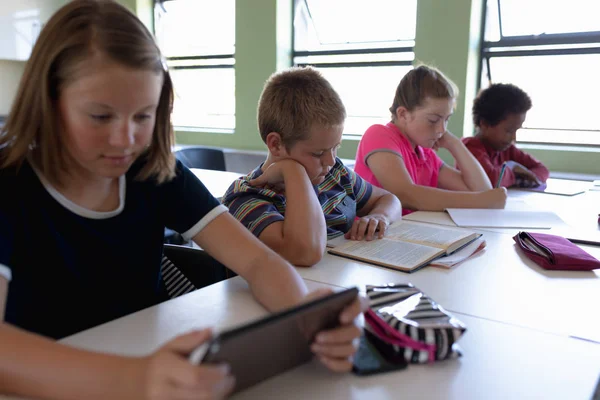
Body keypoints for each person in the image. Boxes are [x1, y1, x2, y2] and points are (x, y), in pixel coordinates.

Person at [0, 1, 363, 399]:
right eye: (101, 117)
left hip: (148, 361)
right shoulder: (10, 184)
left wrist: (306, 319)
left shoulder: (155, 170)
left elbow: (258, 262)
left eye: (143, 116)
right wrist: (133, 379)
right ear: (48, 103)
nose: (126, 140)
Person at [221, 66, 402, 266]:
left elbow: (389, 199)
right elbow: (305, 253)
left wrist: (380, 216)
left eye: (335, 148)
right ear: (276, 144)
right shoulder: (247, 197)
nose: (331, 160)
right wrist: (293, 171)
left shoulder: (334, 174)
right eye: (318, 153)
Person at [353, 65, 507, 215]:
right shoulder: (379, 134)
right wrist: (479, 201)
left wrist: (455, 144)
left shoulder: (426, 154)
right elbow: (405, 195)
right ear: (403, 114)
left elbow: (483, 191)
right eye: (433, 120)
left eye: (447, 120)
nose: (442, 129)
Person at [463, 83, 549, 188]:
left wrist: (522, 177)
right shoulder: (470, 148)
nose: (514, 138)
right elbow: (490, 181)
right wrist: (512, 168)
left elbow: (541, 169)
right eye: (509, 131)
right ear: (484, 124)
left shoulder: (507, 149)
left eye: (516, 130)